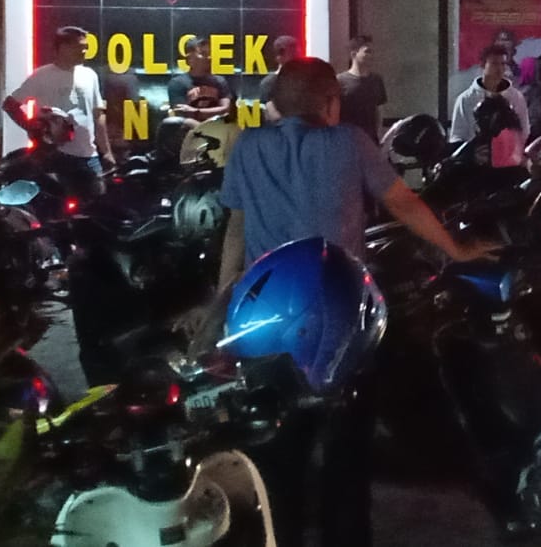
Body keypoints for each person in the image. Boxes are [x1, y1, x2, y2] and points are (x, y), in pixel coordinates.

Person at [196, 56, 497, 547]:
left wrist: (221, 308)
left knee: (278, 456)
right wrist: (457, 249)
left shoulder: (249, 146)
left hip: (263, 324)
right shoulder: (350, 143)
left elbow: (237, 229)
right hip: (340, 324)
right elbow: (403, 202)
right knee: (346, 457)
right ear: (330, 103)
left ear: (276, 104)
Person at [3, 26, 113, 183]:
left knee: (95, 196)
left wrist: (106, 151)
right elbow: (10, 104)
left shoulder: (90, 76)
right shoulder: (42, 75)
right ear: (62, 48)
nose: (84, 51)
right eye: (79, 47)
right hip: (53, 156)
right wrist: (31, 126)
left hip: (88, 155)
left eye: (86, 47)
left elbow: (98, 115)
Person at [450, 43, 530, 146]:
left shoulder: (516, 97)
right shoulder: (465, 99)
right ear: (483, 65)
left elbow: (524, 132)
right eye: (494, 64)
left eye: (503, 64)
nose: (500, 68)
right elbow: (457, 135)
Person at [167, 36, 234, 122]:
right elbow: (182, 115)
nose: (209, 58)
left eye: (209, 54)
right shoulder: (177, 83)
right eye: (203, 53)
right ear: (189, 59)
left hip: (216, 128)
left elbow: (226, 110)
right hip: (189, 129)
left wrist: (196, 111)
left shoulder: (220, 81)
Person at [337, 34, 387, 139]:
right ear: (354, 54)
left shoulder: (376, 80)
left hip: (370, 138)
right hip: (348, 138)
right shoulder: (340, 81)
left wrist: (379, 134)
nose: (371, 55)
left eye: (372, 52)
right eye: (367, 51)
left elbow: (379, 110)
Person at [258, 34, 299, 121]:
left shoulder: (305, 80)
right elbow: (272, 116)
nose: (297, 58)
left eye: (297, 54)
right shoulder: (269, 83)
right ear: (279, 57)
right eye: (293, 54)